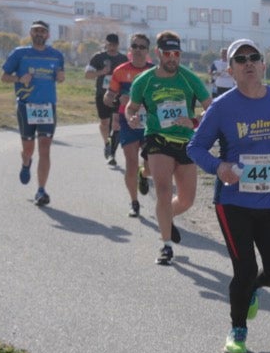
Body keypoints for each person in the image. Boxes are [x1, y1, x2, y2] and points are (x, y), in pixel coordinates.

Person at [189, 39, 270, 353]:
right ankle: (237, 330)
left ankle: (253, 289)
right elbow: (195, 147)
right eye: (240, 59)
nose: (248, 62)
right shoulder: (222, 107)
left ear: (264, 65)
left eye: (254, 57)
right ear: (231, 69)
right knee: (244, 269)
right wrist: (218, 166)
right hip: (233, 202)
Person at [124, 31, 211, 265]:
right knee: (163, 191)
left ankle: (164, 214)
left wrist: (193, 122)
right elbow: (131, 108)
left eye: (177, 54)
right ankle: (166, 245)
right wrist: (131, 117)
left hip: (184, 142)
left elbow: (210, 109)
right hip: (157, 138)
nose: (173, 58)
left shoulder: (189, 78)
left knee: (187, 199)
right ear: (158, 54)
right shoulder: (145, 80)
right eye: (168, 54)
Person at [0, 20, 66, 206]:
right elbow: (4, 77)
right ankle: (26, 162)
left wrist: (61, 77)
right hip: (26, 106)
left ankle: (41, 190)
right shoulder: (19, 53)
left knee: (45, 148)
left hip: (47, 107)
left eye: (43, 31)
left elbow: (60, 76)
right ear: (30, 33)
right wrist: (19, 78)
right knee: (29, 149)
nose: (39, 34)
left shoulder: (56, 55)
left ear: (48, 35)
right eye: (36, 31)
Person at [105, 33, 156, 217]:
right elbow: (109, 96)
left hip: (150, 123)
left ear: (148, 51)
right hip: (128, 121)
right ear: (130, 49)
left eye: (142, 47)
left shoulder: (155, 71)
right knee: (131, 162)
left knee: (151, 166)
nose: (138, 50)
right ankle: (134, 202)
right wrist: (117, 98)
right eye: (135, 46)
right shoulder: (120, 71)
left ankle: (144, 175)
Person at [85, 33, 127, 165]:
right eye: (109, 45)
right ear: (106, 44)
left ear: (118, 45)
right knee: (104, 123)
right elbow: (87, 75)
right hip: (101, 95)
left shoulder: (123, 58)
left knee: (116, 123)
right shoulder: (98, 57)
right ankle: (107, 143)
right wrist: (101, 72)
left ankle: (112, 153)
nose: (112, 48)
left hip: (118, 96)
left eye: (114, 45)